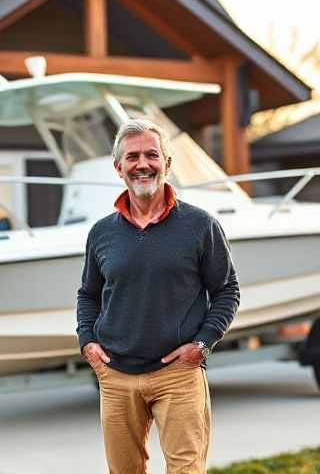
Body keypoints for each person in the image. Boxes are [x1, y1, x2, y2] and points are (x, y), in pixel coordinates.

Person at [76, 118, 240, 473]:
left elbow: (227, 290)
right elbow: (88, 295)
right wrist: (88, 343)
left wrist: (204, 344)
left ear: (167, 163)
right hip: (116, 376)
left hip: (178, 375)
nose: (142, 164)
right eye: (132, 157)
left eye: (152, 155)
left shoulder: (200, 226)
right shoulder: (101, 233)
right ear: (119, 168)